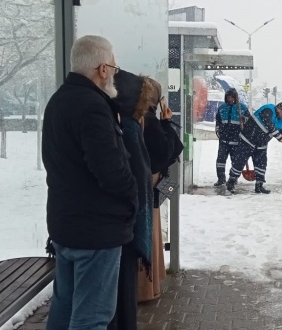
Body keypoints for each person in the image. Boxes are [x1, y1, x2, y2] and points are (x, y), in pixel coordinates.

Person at [42, 35, 137, 330]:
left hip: (66, 224)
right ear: (102, 69)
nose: (114, 74)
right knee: (92, 317)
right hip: (95, 229)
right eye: (114, 67)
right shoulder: (93, 106)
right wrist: (132, 195)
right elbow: (110, 169)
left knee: (66, 306)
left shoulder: (59, 100)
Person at [108, 69, 158, 330]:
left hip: (121, 224)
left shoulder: (122, 124)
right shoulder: (126, 128)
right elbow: (135, 178)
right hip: (124, 225)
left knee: (118, 294)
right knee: (120, 294)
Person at [138, 78, 184, 303]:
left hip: (143, 185)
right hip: (151, 185)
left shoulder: (135, 118)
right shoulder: (149, 121)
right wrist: (167, 123)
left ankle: (147, 285)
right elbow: (171, 149)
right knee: (151, 232)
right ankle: (147, 287)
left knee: (149, 231)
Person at [226, 102, 282, 194]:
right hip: (248, 140)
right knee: (240, 161)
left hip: (261, 144)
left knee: (261, 164)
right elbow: (268, 123)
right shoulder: (268, 109)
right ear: (279, 109)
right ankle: (231, 181)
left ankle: (259, 185)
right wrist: (279, 137)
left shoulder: (281, 120)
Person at [214, 88, 248, 186]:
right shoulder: (222, 107)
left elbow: (249, 122)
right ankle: (221, 179)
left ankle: (233, 178)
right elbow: (218, 121)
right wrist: (218, 130)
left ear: (236, 98)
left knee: (235, 161)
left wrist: (244, 119)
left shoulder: (243, 108)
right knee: (220, 160)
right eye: (228, 97)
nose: (230, 99)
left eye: (232, 97)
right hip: (224, 139)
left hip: (237, 140)